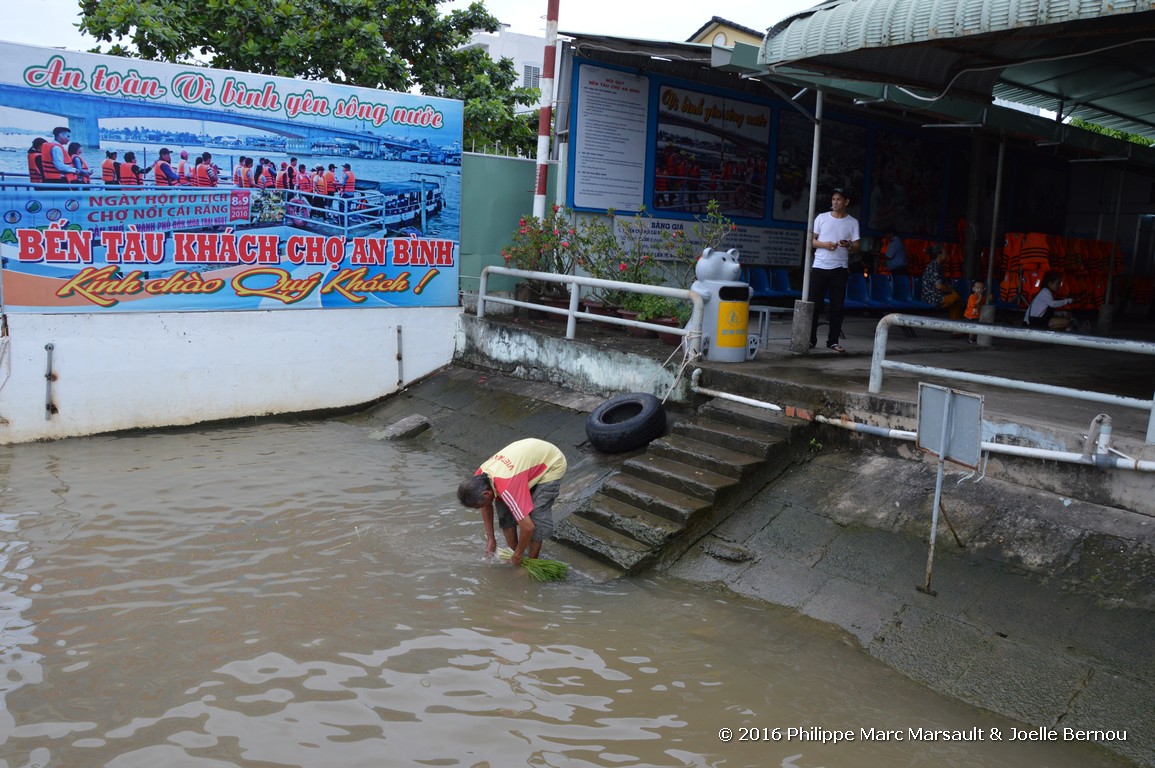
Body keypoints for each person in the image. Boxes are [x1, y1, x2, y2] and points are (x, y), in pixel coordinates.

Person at [457, 438, 567, 565]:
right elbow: (486, 506)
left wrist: (518, 555)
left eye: (478, 506)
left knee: (536, 515)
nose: (479, 508)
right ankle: (514, 551)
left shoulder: (507, 486)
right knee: (504, 512)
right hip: (523, 461)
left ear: (486, 493)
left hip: (552, 463)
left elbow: (528, 527)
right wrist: (491, 540)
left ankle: (532, 562)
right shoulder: (479, 477)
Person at [808, 186, 860, 353]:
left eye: (838, 199)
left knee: (837, 306)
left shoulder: (852, 222)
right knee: (815, 305)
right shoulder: (821, 218)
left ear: (846, 202)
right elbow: (811, 241)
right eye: (833, 199)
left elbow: (857, 247)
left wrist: (849, 244)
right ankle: (810, 339)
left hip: (840, 268)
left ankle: (833, 341)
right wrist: (825, 245)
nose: (835, 202)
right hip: (820, 267)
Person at [920, 245, 964, 324]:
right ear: (939, 255)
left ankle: (955, 326)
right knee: (956, 298)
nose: (946, 255)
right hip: (931, 297)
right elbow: (939, 286)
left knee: (955, 299)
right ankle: (955, 327)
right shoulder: (934, 267)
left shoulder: (938, 266)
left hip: (937, 295)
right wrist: (951, 290)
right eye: (945, 253)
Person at [964, 278, 987, 344]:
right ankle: (970, 339)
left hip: (977, 316)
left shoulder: (981, 297)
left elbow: (984, 302)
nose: (979, 289)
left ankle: (973, 338)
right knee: (972, 329)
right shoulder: (972, 296)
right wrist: (980, 298)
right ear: (973, 289)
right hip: (970, 316)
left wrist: (989, 298)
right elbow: (975, 304)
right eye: (977, 288)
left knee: (976, 328)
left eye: (981, 288)